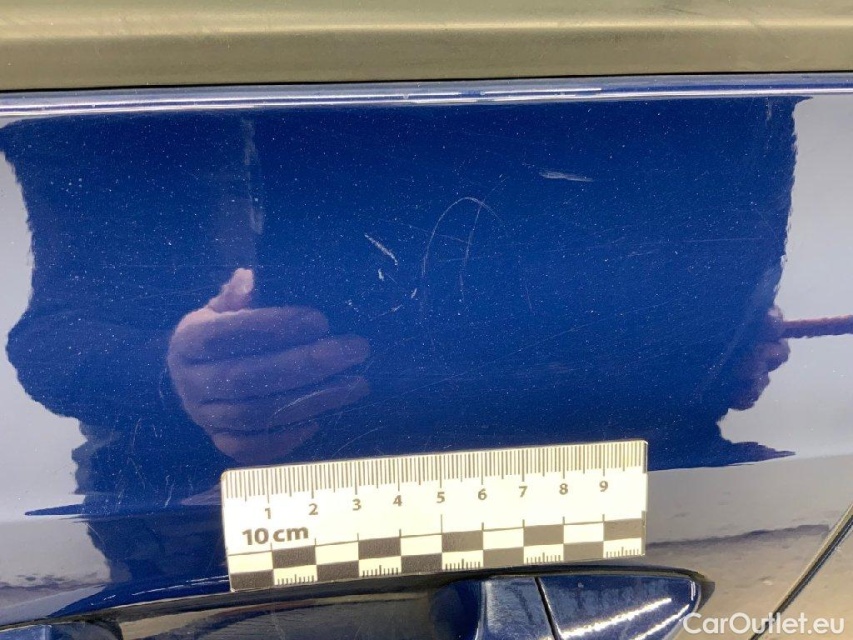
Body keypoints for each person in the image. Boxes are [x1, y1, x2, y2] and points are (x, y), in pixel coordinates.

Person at [1, 95, 796, 583]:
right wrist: (168, 374)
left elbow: (715, 230)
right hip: (255, 528)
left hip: (640, 496)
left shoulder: (693, 41)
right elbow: (56, 339)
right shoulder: (159, 40)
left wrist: (715, 328)